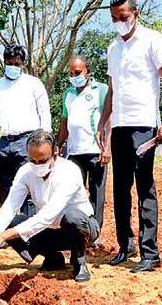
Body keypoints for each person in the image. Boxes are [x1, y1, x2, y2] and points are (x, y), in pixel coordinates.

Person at [96, 0, 162, 273]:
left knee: (144, 187)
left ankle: (150, 253)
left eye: (123, 17)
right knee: (120, 188)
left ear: (135, 13)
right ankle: (125, 245)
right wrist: (102, 123)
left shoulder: (153, 40)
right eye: (114, 19)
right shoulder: (112, 48)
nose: (119, 22)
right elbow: (112, 89)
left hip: (144, 125)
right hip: (119, 126)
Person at [0, 129, 99, 282]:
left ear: (55, 155)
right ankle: (52, 257)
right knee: (12, 222)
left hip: (82, 228)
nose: (36, 165)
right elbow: (10, 206)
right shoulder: (25, 172)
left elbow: (48, 215)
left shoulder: (69, 172)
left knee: (73, 217)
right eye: (32, 160)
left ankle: (79, 259)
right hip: (49, 230)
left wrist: (3, 236)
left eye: (42, 161)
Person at [0, 44, 51, 215]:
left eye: (17, 63)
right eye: (9, 63)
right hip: (1, 144)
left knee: (29, 186)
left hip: (27, 142)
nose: (13, 67)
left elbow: (44, 113)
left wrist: (46, 142)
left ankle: (29, 231)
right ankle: (6, 229)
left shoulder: (34, 84)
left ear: (23, 63)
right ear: (4, 62)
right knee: (4, 189)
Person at [57, 56, 109, 247]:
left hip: (95, 150)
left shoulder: (101, 90)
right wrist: (58, 145)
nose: (74, 76)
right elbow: (64, 123)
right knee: (73, 194)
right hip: (74, 153)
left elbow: (108, 120)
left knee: (96, 195)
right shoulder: (68, 94)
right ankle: (77, 232)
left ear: (88, 71)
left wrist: (107, 148)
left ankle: (94, 236)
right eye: (70, 73)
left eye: (77, 73)